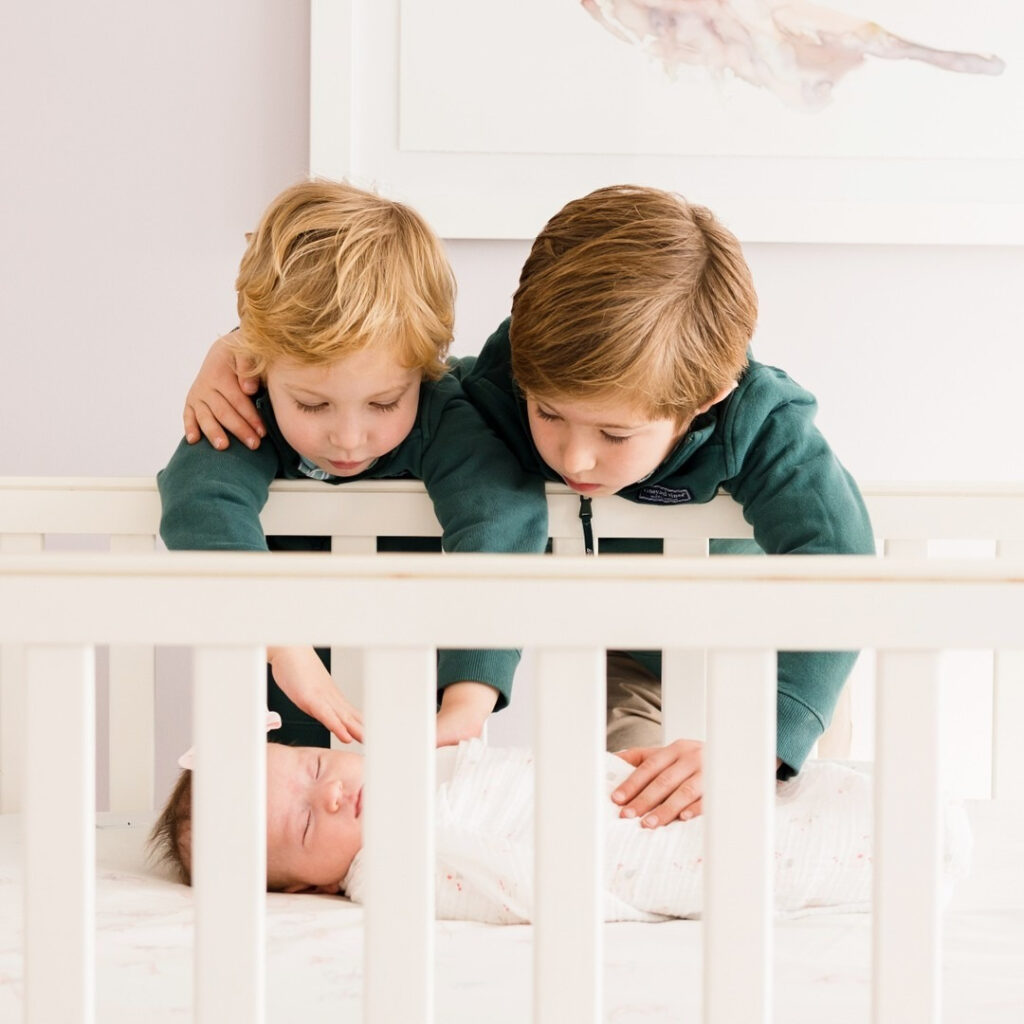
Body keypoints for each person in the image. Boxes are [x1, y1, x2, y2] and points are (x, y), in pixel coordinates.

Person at [173, 184, 875, 823]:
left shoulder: (761, 422)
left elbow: (840, 559)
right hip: (628, 658)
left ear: (704, 400)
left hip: (772, 659)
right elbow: (407, 386)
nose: (574, 458)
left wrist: (762, 741)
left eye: (615, 434)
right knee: (638, 815)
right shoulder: (503, 382)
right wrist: (241, 352)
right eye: (548, 415)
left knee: (791, 823)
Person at [158, 179, 549, 749]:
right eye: (312, 404)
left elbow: (502, 516)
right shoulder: (247, 409)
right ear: (257, 366)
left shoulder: (443, 413)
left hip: (419, 689)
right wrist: (281, 644)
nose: (347, 437)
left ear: (425, 368)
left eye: (384, 403)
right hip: (284, 681)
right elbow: (199, 499)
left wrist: (468, 698)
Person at [149, 734, 914, 923]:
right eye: (307, 828)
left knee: (770, 798)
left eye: (317, 770)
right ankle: (890, 843)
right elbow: (509, 884)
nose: (337, 796)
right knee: (755, 856)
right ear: (309, 885)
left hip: (610, 796)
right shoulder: (385, 871)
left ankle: (879, 816)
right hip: (622, 854)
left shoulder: (422, 761)